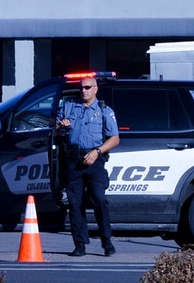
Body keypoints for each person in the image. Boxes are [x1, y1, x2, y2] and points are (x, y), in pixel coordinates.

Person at [56, 77, 120, 257]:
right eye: (81, 88)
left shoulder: (104, 110)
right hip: (73, 160)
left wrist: (97, 152)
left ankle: (106, 242)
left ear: (95, 89)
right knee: (75, 205)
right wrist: (60, 125)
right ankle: (80, 244)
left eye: (87, 87)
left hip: (94, 159)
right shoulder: (69, 106)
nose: (83, 90)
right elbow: (53, 125)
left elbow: (114, 138)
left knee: (99, 200)